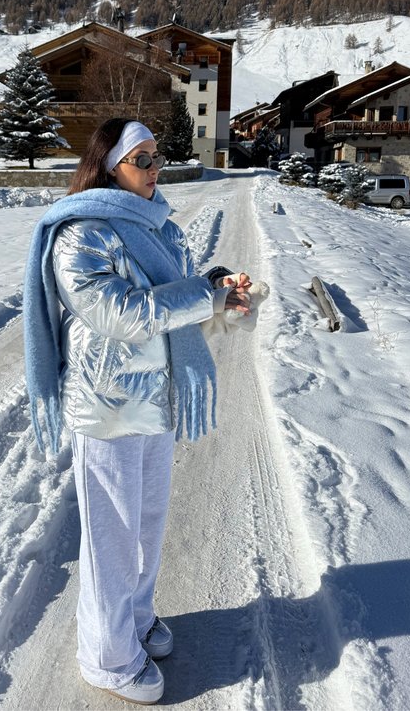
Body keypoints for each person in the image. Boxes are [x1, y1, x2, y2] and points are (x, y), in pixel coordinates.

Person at [23, 118, 251, 705]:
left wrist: (215, 286)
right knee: (111, 537)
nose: (154, 170)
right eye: (141, 160)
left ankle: (136, 618)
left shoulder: (161, 228)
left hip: (155, 400)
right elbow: (119, 313)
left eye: (156, 157)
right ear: (107, 166)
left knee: (146, 527)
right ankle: (106, 655)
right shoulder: (82, 231)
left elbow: (176, 303)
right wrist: (204, 294)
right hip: (107, 404)